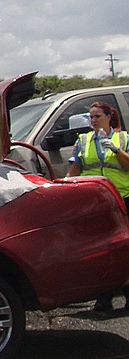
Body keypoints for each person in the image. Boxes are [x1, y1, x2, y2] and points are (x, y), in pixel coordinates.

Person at [66, 101, 129, 312]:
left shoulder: (123, 138)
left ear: (109, 117)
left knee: (124, 249)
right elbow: (74, 170)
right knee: (101, 250)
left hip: (121, 198)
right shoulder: (83, 141)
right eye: (90, 117)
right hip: (95, 202)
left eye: (97, 116)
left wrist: (117, 150)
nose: (93, 121)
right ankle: (104, 298)